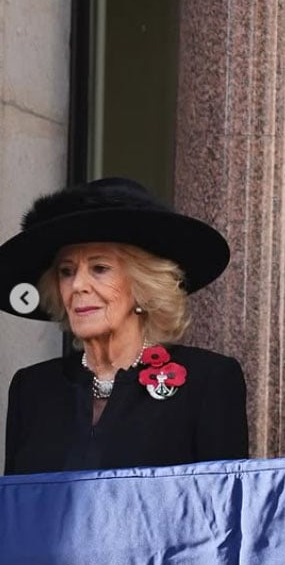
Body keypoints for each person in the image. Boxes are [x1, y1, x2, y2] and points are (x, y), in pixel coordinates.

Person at [0, 177, 248, 473]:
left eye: (99, 268)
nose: (78, 285)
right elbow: (15, 508)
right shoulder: (33, 389)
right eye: (66, 272)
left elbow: (224, 508)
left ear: (142, 287)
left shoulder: (207, 381)